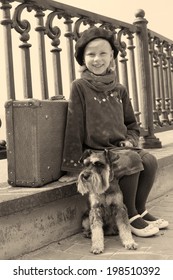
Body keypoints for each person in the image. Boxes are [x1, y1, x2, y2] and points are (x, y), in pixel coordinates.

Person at [59, 26, 169, 237]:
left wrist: (130, 139)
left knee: (149, 160)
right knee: (132, 161)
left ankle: (141, 208)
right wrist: (72, 166)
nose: (97, 59)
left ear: (112, 57)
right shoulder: (79, 86)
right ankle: (130, 214)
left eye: (103, 53)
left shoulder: (119, 89)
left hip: (120, 147)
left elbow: (131, 124)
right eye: (90, 54)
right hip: (97, 151)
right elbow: (74, 126)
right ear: (83, 59)